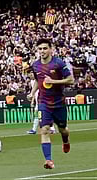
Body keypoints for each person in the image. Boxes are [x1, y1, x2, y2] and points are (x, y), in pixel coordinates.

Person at [29, 39, 74, 169]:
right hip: (43, 102)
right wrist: (32, 93)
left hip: (59, 102)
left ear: (50, 49)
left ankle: (65, 140)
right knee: (44, 130)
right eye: (40, 49)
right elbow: (38, 81)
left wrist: (54, 82)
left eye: (44, 48)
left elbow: (71, 80)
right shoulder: (36, 65)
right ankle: (48, 160)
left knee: (63, 130)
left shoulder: (58, 63)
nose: (42, 51)